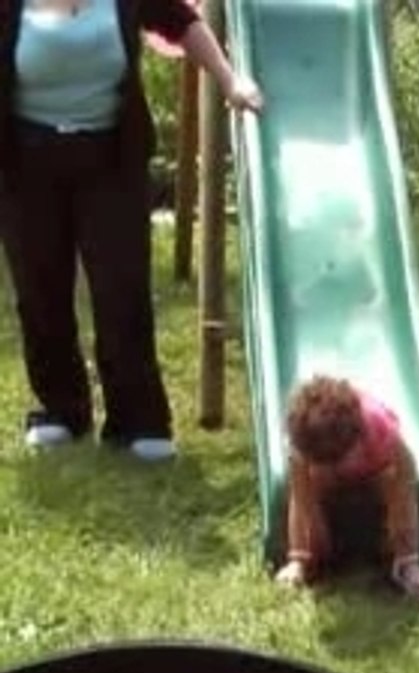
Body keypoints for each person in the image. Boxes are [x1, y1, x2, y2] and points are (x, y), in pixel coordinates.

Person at [0, 0, 263, 461]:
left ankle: (138, 419)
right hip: (26, 162)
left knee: (122, 289)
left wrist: (229, 79)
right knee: (39, 290)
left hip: (111, 159)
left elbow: (183, 23)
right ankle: (62, 410)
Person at [276, 375, 419, 602]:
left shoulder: (378, 428)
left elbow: (405, 474)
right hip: (322, 477)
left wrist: (400, 527)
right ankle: (298, 561)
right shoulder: (303, 439)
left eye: (339, 459)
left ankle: (408, 565)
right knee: (304, 488)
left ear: (358, 437)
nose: (334, 465)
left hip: (373, 472)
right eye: (325, 462)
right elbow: (301, 492)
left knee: (394, 485)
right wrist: (313, 528)